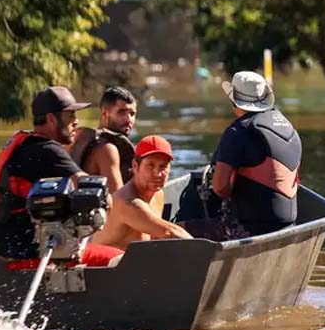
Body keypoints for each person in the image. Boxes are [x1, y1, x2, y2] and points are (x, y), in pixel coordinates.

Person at [0, 86, 123, 268]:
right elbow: (93, 189)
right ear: (52, 119)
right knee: (121, 259)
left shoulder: (22, 144)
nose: (76, 121)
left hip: (5, 250)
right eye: (71, 115)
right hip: (34, 256)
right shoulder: (47, 150)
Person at [211, 71, 302, 236]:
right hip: (290, 224)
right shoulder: (288, 126)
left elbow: (220, 188)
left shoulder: (238, 131)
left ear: (234, 100)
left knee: (183, 230)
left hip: (253, 229)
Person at [92, 135, 193, 250]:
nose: (157, 174)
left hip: (137, 262)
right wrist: (204, 251)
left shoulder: (158, 194)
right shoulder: (128, 202)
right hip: (108, 265)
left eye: (163, 167)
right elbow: (168, 231)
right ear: (135, 166)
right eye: (150, 166)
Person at [70, 86, 138, 193]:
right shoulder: (107, 149)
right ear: (104, 113)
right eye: (121, 112)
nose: (128, 119)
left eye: (132, 114)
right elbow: (118, 200)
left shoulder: (81, 139)